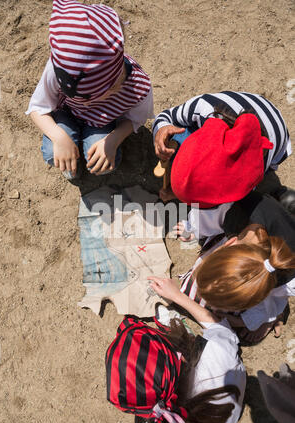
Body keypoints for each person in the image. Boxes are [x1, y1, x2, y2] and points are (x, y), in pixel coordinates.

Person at [26, 0, 153, 180]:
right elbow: (37, 108)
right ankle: (70, 151)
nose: (85, 102)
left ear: (112, 84)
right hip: (66, 114)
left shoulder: (138, 88)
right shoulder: (61, 70)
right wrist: (59, 138)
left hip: (102, 120)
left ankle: (82, 150)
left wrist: (114, 140)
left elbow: (135, 120)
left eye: (90, 97)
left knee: (107, 163)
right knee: (51, 153)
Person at [149, 193, 295, 344]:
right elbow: (209, 218)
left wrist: (260, 317)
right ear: (230, 242)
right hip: (250, 222)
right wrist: (193, 229)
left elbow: (277, 296)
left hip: (278, 281)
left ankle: (271, 318)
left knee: (269, 306)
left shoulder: (287, 281)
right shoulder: (231, 212)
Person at [153, 91, 294, 242]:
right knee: (176, 136)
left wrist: (193, 228)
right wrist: (162, 128)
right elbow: (165, 116)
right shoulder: (203, 107)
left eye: (196, 203)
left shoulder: (247, 174)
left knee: (229, 213)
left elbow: (212, 219)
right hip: (261, 117)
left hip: (276, 139)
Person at [106, 308, 246, 423]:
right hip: (232, 413)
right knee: (198, 346)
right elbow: (221, 327)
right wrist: (177, 297)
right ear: (181, 357)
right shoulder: (216, 352)